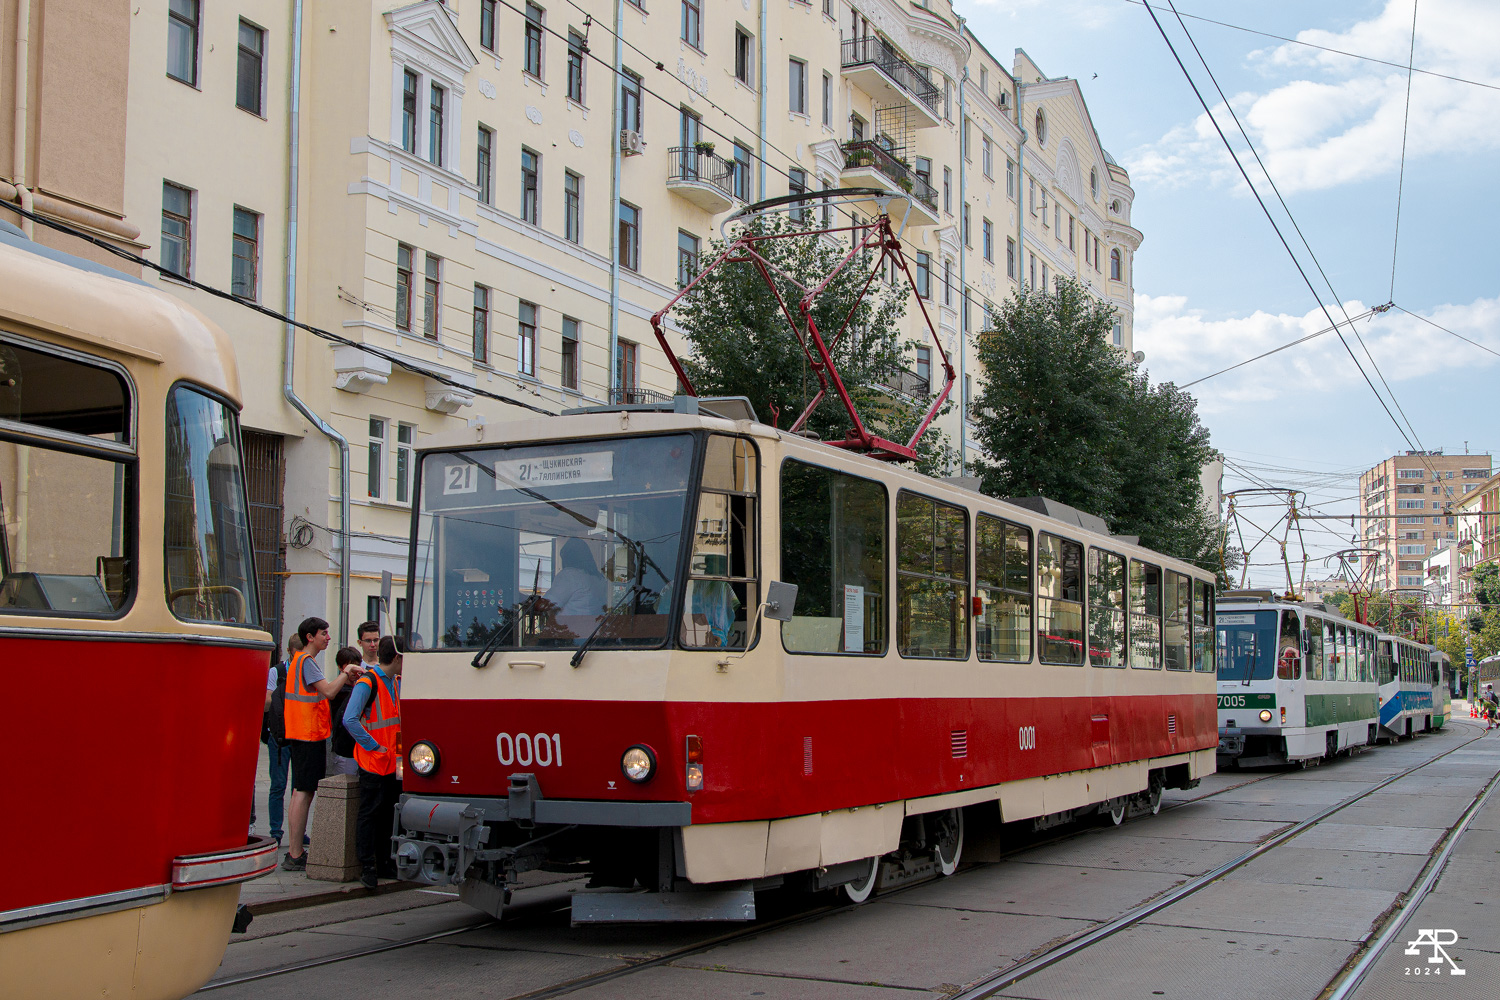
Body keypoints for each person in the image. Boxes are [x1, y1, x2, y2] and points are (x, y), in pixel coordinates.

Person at [282, 617, 361, 871]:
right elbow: (328, 691)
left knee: (300, 791)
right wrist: (346, 673)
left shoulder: (301, 661)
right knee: (303, 792)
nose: (328, 637)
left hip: (303, 733)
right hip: (308, 734)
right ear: (310, 637)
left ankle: (295, 851)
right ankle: (295, 853)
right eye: (324, 633)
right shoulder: (306, 662)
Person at [344, 636, 403, 889]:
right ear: (398, 657)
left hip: (391, 761)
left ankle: (383, 862)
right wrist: (374, 746)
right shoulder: (369, 681)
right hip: (374, 760)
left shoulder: (395, 681)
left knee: (388, 813)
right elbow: (350, 720)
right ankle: (368, 865)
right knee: (370, 813)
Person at [263, 634, 302, 845]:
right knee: (278, 785)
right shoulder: (276, 671)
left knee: (299, 786)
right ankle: (275, 831)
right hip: (279, 736)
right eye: (297, 655)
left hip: (299, 734)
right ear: (290, 652)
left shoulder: (308, 669)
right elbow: (267, 701)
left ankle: (297, 831)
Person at [541, 538, 608, 619]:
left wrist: (526, 601)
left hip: (572, 628)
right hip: (595, 628)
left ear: (568, 557)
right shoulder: (598, 578)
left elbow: (547, 604)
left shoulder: (570, 575)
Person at [328, 646, 364, 776]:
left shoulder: (359, 687)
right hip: (344, 748)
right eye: (351, 668)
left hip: (356, 748)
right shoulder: (338, 691)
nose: (355, 672)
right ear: (342, 668)